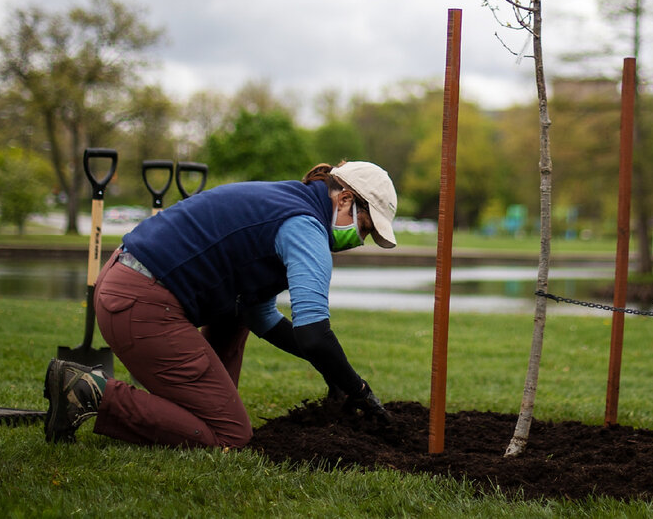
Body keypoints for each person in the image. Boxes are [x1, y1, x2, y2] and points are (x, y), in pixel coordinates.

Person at [43, 160, 397, 447]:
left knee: (238, 316)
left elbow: (261, 316)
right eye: (365, 228)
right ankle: (88, 390)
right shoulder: (305, 226)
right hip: (141, 303)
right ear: (347, 200)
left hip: (124, 280)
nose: (360, 240)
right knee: (231, 435)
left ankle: (200, 405)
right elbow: (314, 335)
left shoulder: (290, 201)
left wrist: (331, 370)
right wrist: (358, 389)